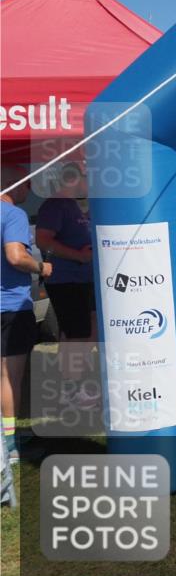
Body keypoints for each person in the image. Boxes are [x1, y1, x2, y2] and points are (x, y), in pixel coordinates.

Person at [35, 162, 98, 408]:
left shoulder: (73, 205)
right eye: (86, 178)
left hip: (82, 279)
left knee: (83, 332)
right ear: (74, 179)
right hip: (67, 280)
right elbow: (43, 240)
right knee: (76, 336)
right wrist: (78, 255)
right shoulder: (54, 205)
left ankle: (76, 385)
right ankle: (71, 391)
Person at [1, 166, 53, 463]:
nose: (29, 190)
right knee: (9, 378)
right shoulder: (13, 215)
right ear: (13, 184)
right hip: (10, 306)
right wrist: (41, 267)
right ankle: (9, 446)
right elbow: (16, 256)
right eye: (27, 183)